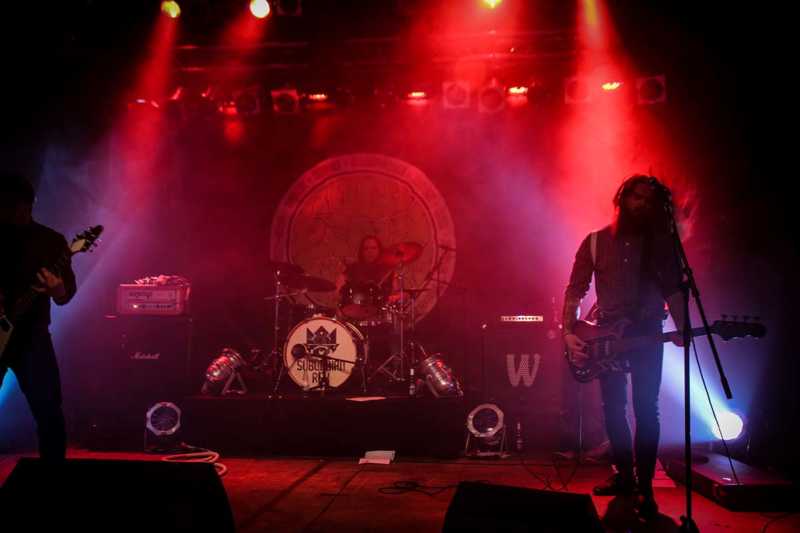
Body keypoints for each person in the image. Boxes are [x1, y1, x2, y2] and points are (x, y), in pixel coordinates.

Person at [562, 174, 687, 519]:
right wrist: (569, 332)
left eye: (649, 200)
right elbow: (575, 290)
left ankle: (645, 486)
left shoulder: (661, 245)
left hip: (647, 333)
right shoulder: (595, 242)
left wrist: (683, 326)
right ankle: (625, 477)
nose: (642, 205)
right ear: (622, 198)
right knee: (614, 409)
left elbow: (674, 290)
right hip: (607, 336)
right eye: (637, 197)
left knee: (647, 409)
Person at [0, 174, 76, 462]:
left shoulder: (51, 241)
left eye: (14, 206)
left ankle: (52, 475)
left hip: (32, 338)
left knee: (48, 410)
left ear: (28, 205)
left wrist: (57, 289)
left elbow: (65, 295)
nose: (8, 212)